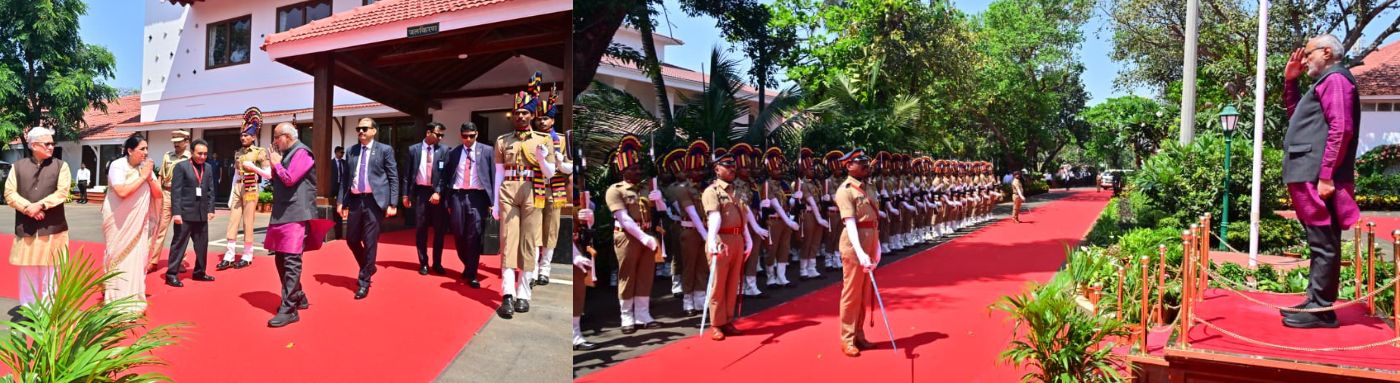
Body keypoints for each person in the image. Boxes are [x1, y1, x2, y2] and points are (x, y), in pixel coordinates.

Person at [1279, 34, 1362, 329]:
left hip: (1315, 176)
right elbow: (1297, 119)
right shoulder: (1323, 82)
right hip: (1307, 173)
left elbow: (1342, 129)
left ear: (1327, 52)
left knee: (1324, 242)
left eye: (1308, 53)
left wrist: (1326, 175)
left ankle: (1322, 310)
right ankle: (1315, 301)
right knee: (1318, 242)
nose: (1303, 59)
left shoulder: (1336, 80)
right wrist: (1291, 83)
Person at [493, 77, 556, 319]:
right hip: (508, 191)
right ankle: (507, 295)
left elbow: (550, 173)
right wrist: (495, 204)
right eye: (517, 112)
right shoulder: (503, 140)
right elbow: (499, 172)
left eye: (525, 113)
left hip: (534, 191)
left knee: (529, 243)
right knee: (508, 241)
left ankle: (524, 294)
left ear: (531, 115)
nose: (520, 116)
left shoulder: (544, 139)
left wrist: (541, 158)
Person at [249, 122, 319, 327]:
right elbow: (276, 178)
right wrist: (273, 164)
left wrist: (277, 163)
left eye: (277, 137)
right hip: (282, 212)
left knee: (291, 260)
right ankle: (298, 295)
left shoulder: (303, 153)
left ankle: (289, 309)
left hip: (296, 213)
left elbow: (289, 179)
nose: (275, 142)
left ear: (287, 136)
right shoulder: (285, 153)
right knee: (280, 258)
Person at [6, 127, 71, 309]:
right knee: (28, 269)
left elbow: (62, 192)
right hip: (26, 227)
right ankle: (28, 309)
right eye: (47, 143)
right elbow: (9, 193)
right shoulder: (17, 167)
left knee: (51, 270)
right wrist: (28, 208)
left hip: (53, 228)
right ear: (34, 145)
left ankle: (49, 309)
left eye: (52, 143)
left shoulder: (61, 166)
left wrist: (40, 205)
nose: (51, 146)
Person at [606, 135, 665, 333]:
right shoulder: (616, 190)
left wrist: (659, 200)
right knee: (627, 276)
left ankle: (643, 314)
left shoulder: (647, 188)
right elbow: (624, 218)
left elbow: (662, 212)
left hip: (648, 234)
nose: (637, 171)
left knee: (646, 275)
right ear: (623, 170)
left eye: (639, 167)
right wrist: (643, 237)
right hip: (627, 236)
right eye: (633, 168)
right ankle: (626, 316)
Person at [100, 133, 163, 315]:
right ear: (129, 150)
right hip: (118, 222)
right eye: (142, 149)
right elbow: (121, 191)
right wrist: (143, 177)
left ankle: (133, 299)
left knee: (136, 259)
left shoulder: (144, 169)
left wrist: (149, 176)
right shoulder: (118, 166)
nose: (146, 152)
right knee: (118, 257)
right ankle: (114, 301)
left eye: (147, 149)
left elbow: (158, 194)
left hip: (138, 224)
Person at [339, 117, 398, 300]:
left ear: (374, 131)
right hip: (356, 200)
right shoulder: (352, 151)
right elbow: (345, 179)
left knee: (370, 241)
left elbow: (393, 177)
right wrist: (341, 201)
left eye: (365, 128)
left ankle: (364, 281)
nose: (361, 132)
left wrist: (393, 203)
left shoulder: (385, 150)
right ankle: (369, 266)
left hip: (375, 201)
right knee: (351, 239)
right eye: (359, 128)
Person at [702, 151, 753, 340]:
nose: (732, 169)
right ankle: (716, 323)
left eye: (733, 166)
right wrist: (711, 239)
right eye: (727, 166)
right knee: (718, 284)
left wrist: (748, 238)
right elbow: (713, 216)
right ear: (717, 169)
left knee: (733, 283)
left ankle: (727, 319)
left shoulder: (737, 191)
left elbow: (743, 217)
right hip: (721, 240)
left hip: (737, 238)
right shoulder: (712, 191)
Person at [834, 149, 879, 357]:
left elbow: (873, 220)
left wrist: (876, 247)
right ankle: (847, 338)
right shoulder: (845, 190)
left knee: (863, 293)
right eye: (860, 162)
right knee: (851, 293)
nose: (865, 165)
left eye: (865, 161)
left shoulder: (868, 187)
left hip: (870, 240)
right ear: (848, 166)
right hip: (854, 245)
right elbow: (850, 224)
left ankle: (859, 334)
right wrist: (860, 252)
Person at [441, 122, 494, 288]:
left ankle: (472, 272)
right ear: (460, 135)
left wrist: (493, 202)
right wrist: (446, 198)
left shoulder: (487, 151)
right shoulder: (454, 153)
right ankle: (468, 264)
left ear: (477, 134)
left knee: (474, 234)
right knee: (458, 232)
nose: (468, 139)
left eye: (471, 136)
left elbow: (493, 176)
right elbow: (446, 176)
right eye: (465, 136)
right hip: (457, 196)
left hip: (478, 197)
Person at [533, 83, 574, 286]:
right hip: (534, 189)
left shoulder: (563, 140)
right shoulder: (531, 139)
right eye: (539, 118)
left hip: (555, 189)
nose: (542, 121)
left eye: (546, 118)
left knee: (551, 230)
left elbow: (571, 168)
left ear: (553, 120)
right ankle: (531, 268)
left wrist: (560, 162)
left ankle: (545, 269)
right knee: (533, 229)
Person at [165, 139, 218, 287]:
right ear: (192, 152)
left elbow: (210, 190)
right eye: (199, 153)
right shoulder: (181, 167)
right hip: (184, 214)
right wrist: (176, 213)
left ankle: (199, 272)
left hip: (201, 215)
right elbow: (176, 192)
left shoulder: (207, 168)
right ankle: (171, 275)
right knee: (179, 245)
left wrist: (211, 209)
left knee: (202, 246)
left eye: (205, 154)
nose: (202, 156)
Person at [221, 108, 269, 270]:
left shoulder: (259, 152)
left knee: (248, 221)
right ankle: (229, 255)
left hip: (250, 187)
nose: (243, 137)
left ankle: (247, 255)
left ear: (254, 137)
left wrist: (254, 169)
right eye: (241, 135)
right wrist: (231, 193)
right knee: (233, 221)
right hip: (238, 186)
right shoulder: (238, 153)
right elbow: (235, 173)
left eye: (246, 135)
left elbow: (268, 174)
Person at [404, 122, 449, 276]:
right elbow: (407, 174)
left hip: (437, 194)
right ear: (428, 132)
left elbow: (446, 176)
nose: (441, 138)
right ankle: (423, 262)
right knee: (421, 229)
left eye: (442, 135)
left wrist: (438, 191)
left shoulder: (444, 150)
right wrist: (405, 195)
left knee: (439, 230)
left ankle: (437, 263)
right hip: (421, 193)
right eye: (438, 134)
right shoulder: (413, 150)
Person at [331, 146, 347, 239]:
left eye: (343, 153)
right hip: (333, 187)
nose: (342, 154)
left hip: (342, 187)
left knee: (342, 204)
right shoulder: (330, 163)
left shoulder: (345, 163)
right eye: (341, 153)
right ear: (336, 152)